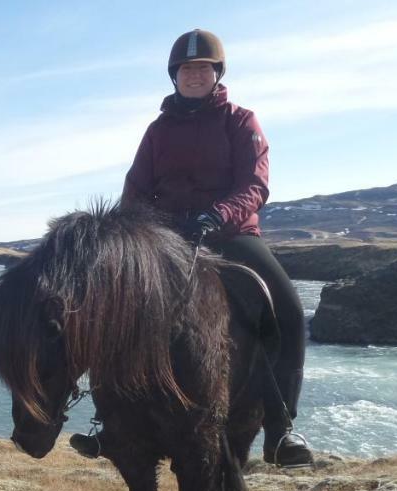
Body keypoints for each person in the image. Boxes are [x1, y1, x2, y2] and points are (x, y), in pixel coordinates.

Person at [74, 29, 313, 468]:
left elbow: (255, 184)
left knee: (289, 312)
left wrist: (218, 215)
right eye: (187, 69)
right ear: (174, 76)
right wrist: (139, 234)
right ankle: (109, 421)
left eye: (202, 68)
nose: (194, 75)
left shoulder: (241, 121)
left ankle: (281, 430)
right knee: (114, 309)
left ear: (216, 73)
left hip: (231, 235)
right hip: (168, 240)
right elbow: (136, 192)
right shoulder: (157, 131)